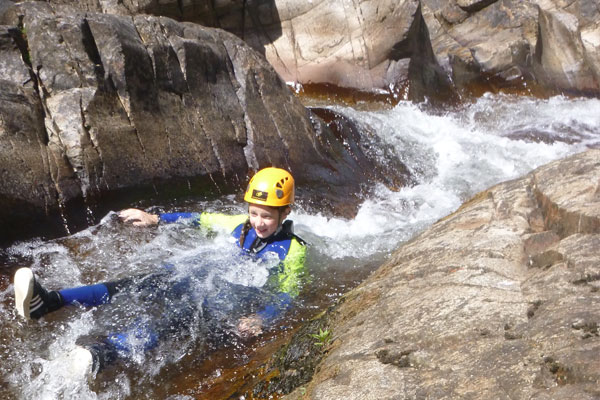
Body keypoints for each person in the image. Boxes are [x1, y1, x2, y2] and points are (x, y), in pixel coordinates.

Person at [13, 167, 307, 377]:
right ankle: (49, 302)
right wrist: (156, 218)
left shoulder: (293, 250)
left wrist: (262, 317)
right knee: (133, 285)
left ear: (286, 212)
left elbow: (288, 293)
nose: (258, 222)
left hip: (222, 299)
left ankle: (103, 354)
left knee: (176, 318)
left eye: (267, 216)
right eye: (254, 212)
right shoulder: (237, 223)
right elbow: (200, 219)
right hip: (194, 275)